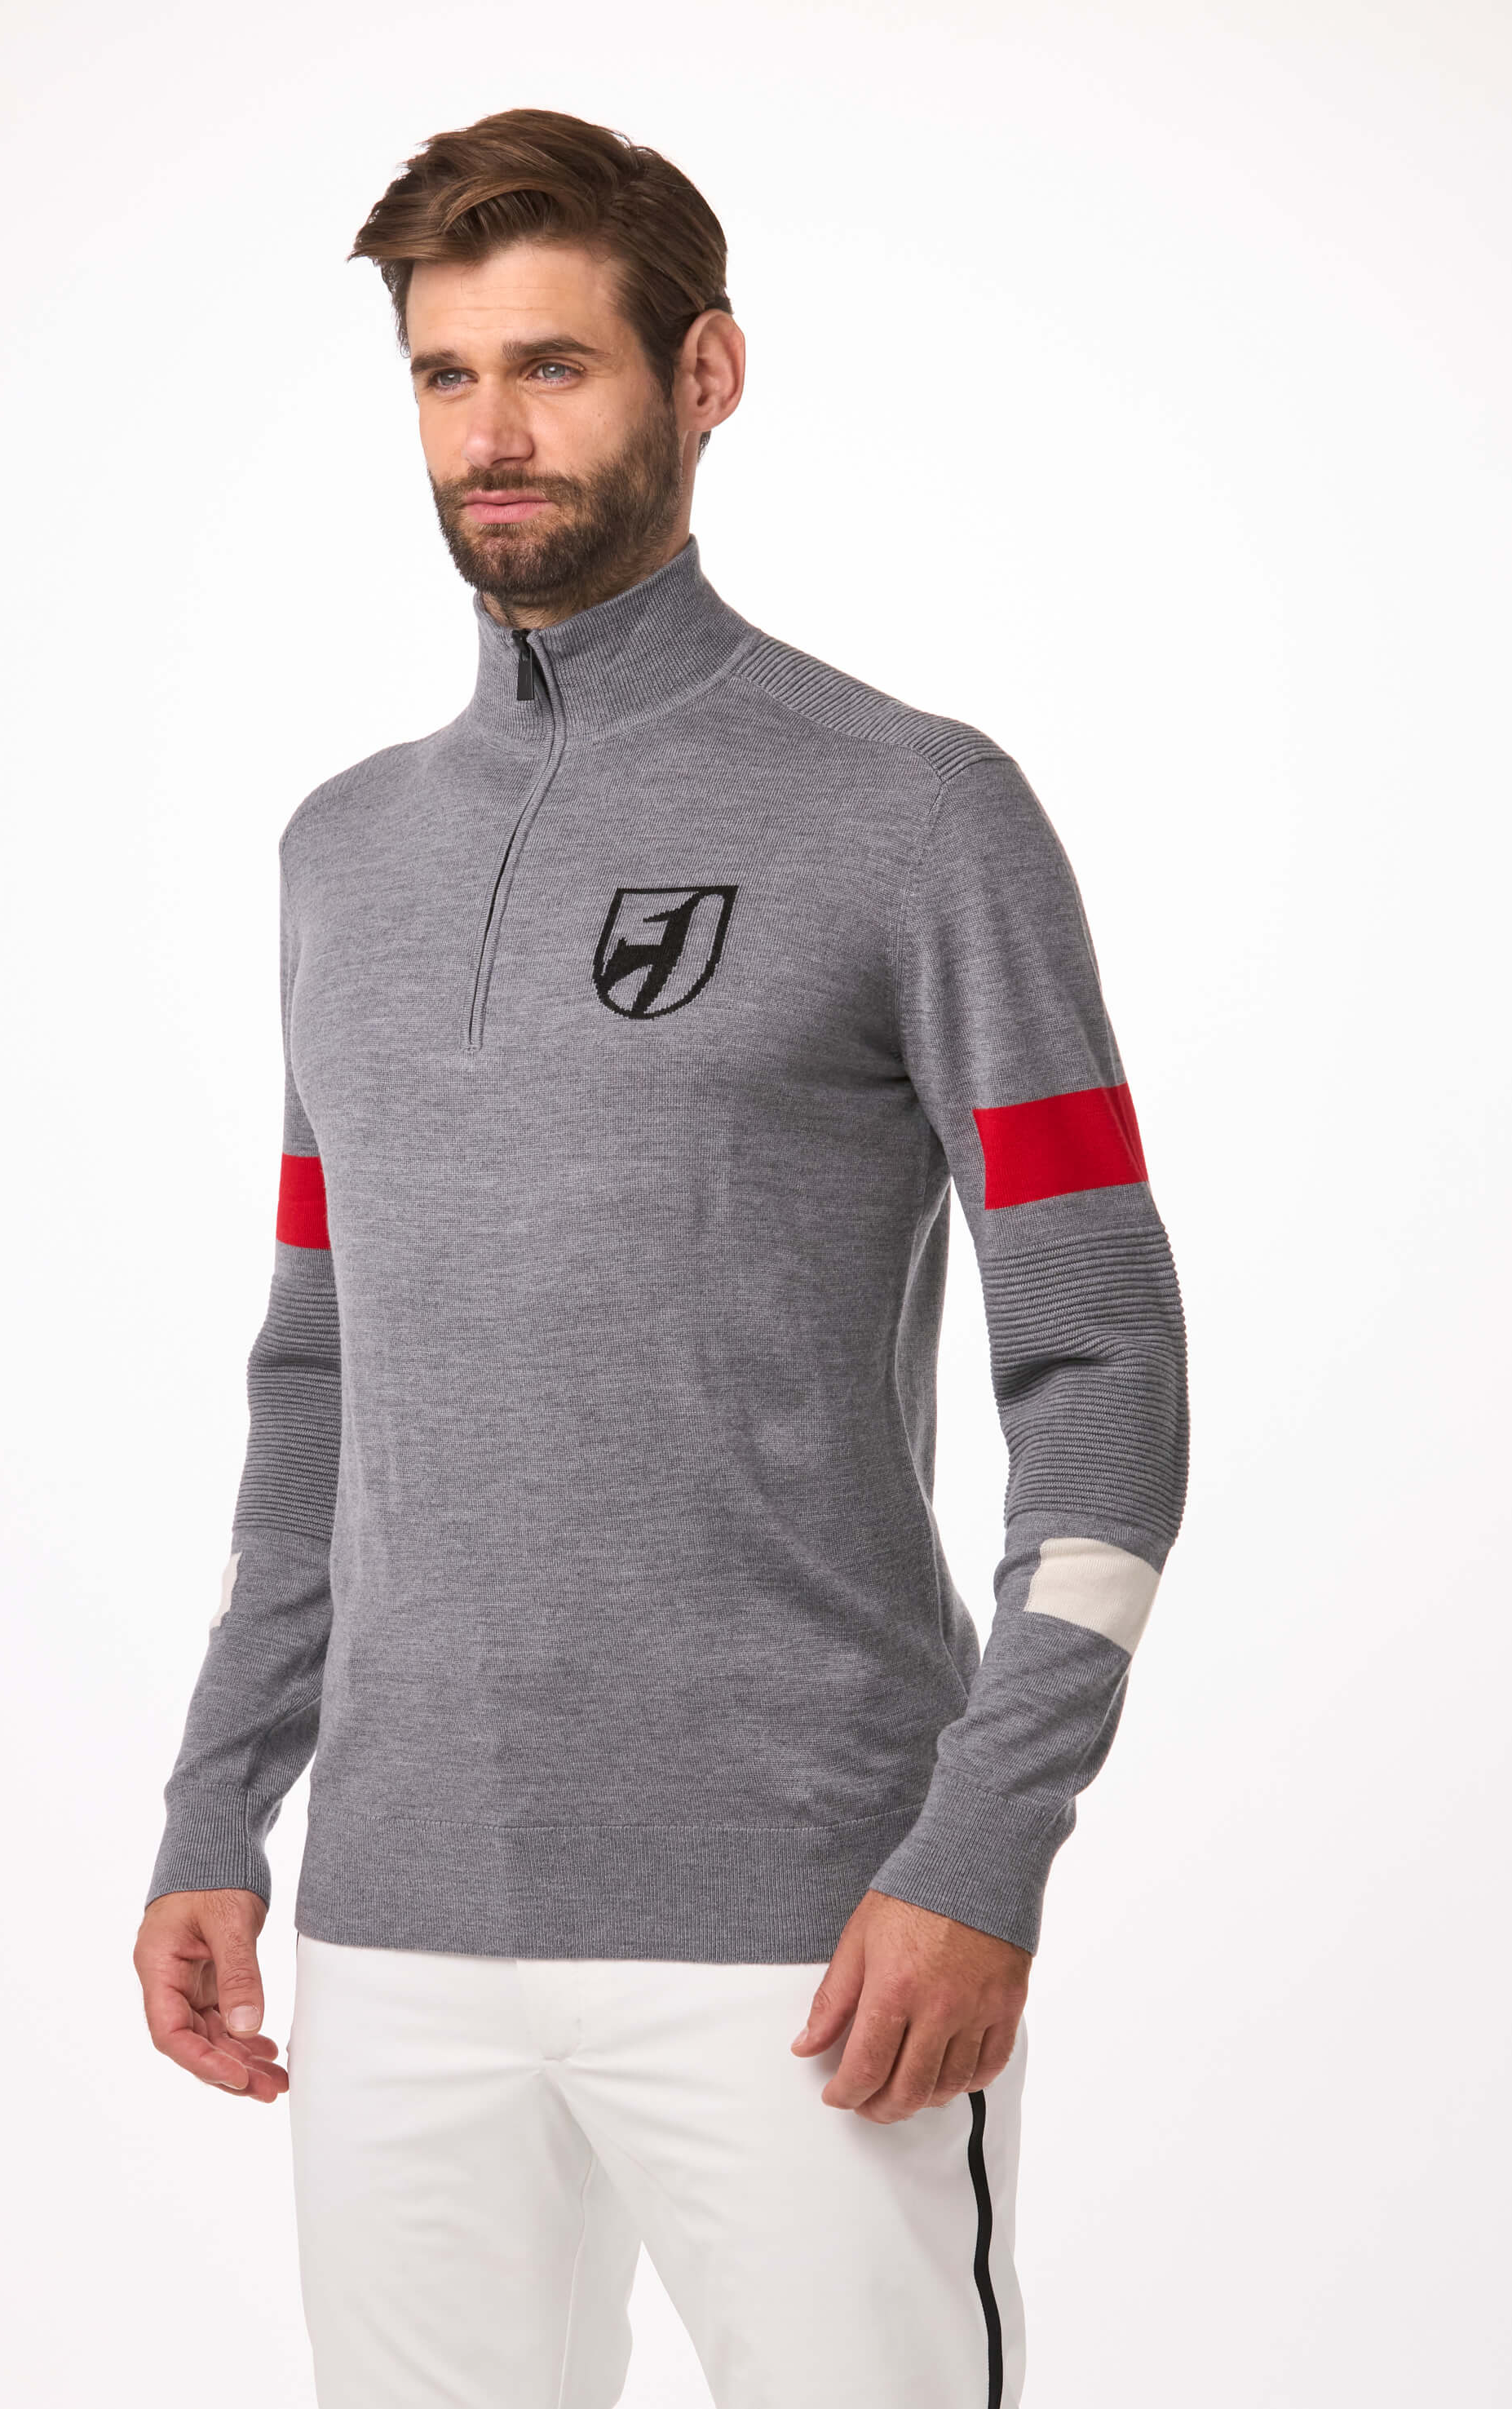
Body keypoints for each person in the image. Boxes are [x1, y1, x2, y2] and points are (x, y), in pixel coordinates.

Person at [132, 106, 1188, 2409]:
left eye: (553, 366)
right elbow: (321, 1372)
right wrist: (222, 1803)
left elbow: (1104, 1371)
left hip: (812, 1923)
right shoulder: (340, 855)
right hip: (399, 1928)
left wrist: (985, 1845)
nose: (491, 435)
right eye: (444, 374)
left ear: (703, 376)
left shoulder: (918, 809)